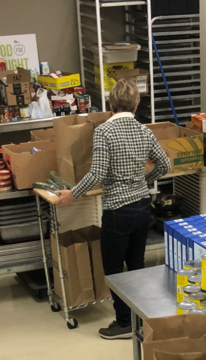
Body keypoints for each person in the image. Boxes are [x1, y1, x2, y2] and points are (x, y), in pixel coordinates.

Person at [55, 79, 171, 340]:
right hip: (142, 207)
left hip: (118, 210)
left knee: (115, 270)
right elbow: (164, 164)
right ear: (137, 104)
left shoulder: (104, 132)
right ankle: (140, 320)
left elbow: (97, 172)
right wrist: (144, 178)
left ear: (109, 104)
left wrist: (73, 193)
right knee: (137, 267)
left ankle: (123, 324)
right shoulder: (144, 131)